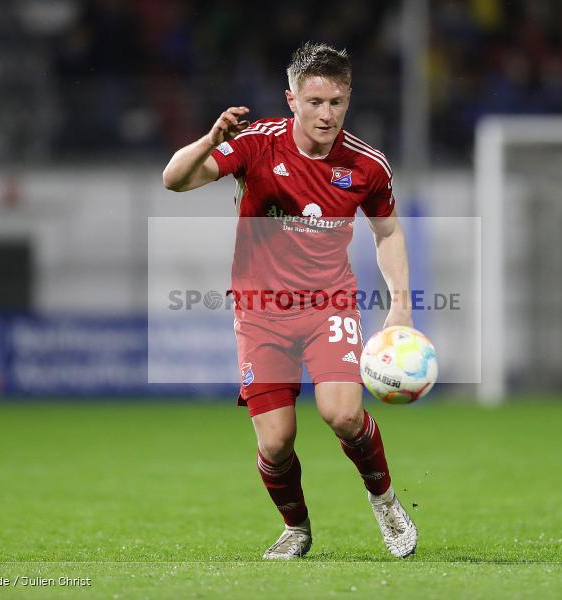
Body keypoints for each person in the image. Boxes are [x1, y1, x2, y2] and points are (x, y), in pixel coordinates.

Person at [162, 41, 416, 559]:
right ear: (292, 100)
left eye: (337, 102)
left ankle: (385, 500)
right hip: (260, 311)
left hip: (330, 305)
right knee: (275, 442)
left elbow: (387, 233)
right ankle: (296, 528)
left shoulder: (368, 166)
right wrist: (210, 138)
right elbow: (174, 180)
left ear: (348, 101)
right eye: (316, 102)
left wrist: (401, 305)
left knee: (343, 414)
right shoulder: (256, 144)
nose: (327, 114)